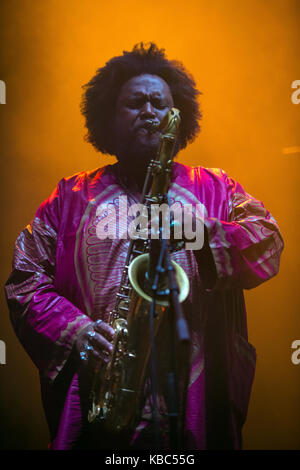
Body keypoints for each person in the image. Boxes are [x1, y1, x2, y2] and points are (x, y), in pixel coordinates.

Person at [5, 43, 284, 450]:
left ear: (178, 116)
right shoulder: (69, 197)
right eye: (135, 104)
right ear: (108, 118)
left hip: (195, 403)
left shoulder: (218, 187)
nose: (150, 112)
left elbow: (269, 243)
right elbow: (25, 281)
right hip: (104, 396)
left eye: (160, 103)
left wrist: (199, 231)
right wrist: (77, 332)